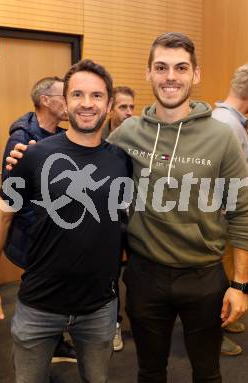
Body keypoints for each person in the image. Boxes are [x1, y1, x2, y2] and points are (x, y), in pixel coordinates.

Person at [7, 32, 248, 382]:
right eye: (161, 67)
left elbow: (242, 212)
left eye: (180, 68)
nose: (171, 76)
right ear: (148, 73)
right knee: (150, 371)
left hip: (203, 276)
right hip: (145, 276)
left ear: (195, 75)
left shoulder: (221, 136)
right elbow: (85, 153)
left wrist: (241, 284)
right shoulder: (128, 133)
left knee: (207, 372)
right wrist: (28, 153)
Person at [0, 59, 131, 383]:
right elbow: (1, 217)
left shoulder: (121, 161)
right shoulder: (35, 155)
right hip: (39, 304)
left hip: (100, 307)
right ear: (66, 101)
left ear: (109, 104)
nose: (87, 103)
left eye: (96, 96)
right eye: (77, 94)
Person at [1, 76, 77, 363]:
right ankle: (39, 348)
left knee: (53, 289)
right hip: (35, 236)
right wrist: (49, 226)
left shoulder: (59, 135)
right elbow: (14, 199)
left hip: (54, 235)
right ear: (46, 100)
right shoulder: (21, 140)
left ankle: (54, 343)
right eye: (65, 95)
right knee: (39, 294)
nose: (71, 103)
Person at [212, 62, 248, 356]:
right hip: (223, 216)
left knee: (226, 271)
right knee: (218, 278)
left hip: (227, 213)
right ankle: (212, 332)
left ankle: (224, 318)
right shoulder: (227, 123)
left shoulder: (226, 120)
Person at [102, 85, 136, 352]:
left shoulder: (137, 137)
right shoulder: (99, 139)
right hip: (108, 220)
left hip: (135, 217)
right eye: (123, 107)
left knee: (138, 274)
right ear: (111, 108)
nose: (129, 112)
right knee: (110, 275)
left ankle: (142, 321)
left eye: (132, 107)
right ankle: (114, 325)